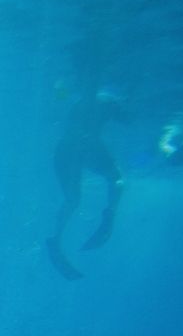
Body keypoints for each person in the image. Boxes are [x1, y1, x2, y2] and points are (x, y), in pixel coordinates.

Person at [45, 89, 126, 280]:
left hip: (72, 149)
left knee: (76, 198)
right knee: (113, 181)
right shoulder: (105, 101)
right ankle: (107, 218)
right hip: (72, 149)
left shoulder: (101, 101)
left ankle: (57, 240)